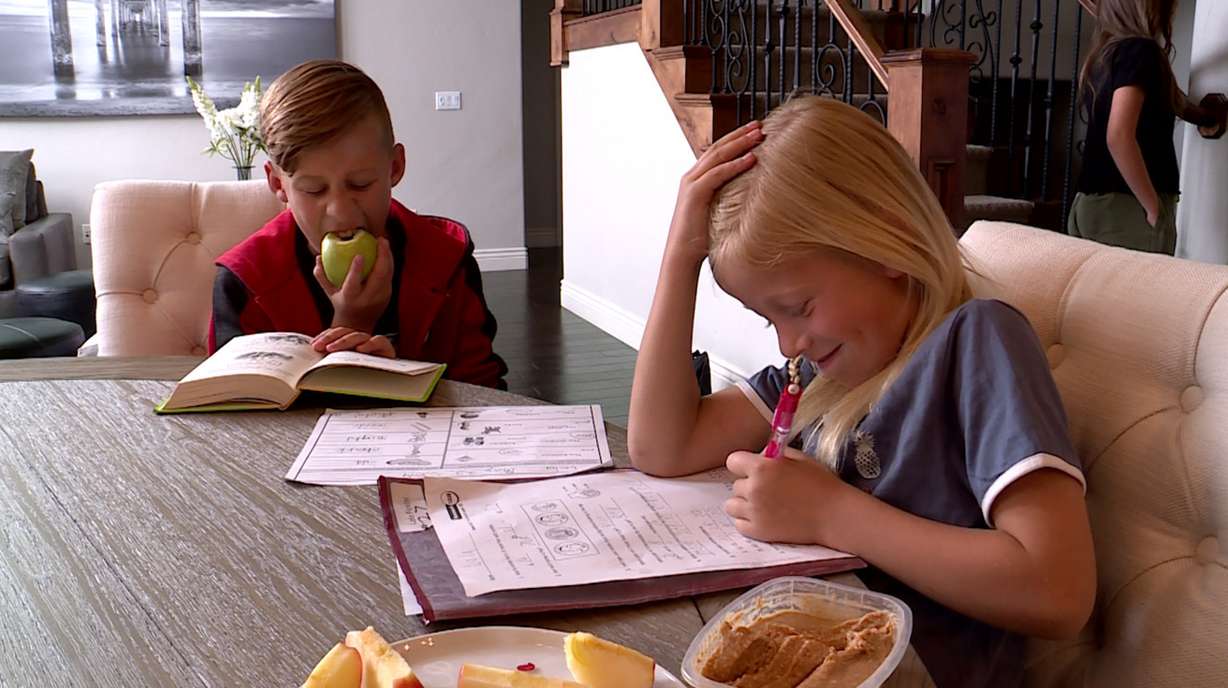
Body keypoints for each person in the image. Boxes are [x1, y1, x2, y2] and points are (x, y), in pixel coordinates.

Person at [627, 97, 1096, 687]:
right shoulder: (822, 380)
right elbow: (661, 447)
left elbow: (1057, 591)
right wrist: (680, 256)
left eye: (798, 307)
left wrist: (831, 512)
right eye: (766, 319)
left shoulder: (977, 343)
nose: (786, 344)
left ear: (887, 242)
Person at [209, 59, 507, 389]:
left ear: (395, 167)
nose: (341, 213)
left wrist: (399, 379)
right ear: (278, 184)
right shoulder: (245, 282)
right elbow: (235, 417)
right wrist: (351, 331)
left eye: (361, 184)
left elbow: (484, 393)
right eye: (314, 190)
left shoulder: (447, 261)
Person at [1069, 0, 1227, 254]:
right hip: (1126, 210)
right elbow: (1118, 135)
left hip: (1092, 206)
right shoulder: (1141, 51)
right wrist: (1152, 206)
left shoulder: (1107, 54)